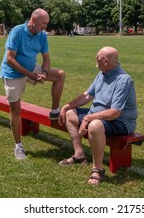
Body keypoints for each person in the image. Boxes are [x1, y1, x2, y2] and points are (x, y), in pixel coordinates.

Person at [58, 46, 137, 185]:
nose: (95, 60)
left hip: (121, 121)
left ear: (105, 61)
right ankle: (79, 155)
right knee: (70, 114)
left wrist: (88, 118)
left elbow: (114, 113)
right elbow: (88, 95)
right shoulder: (103, 73)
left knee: (94, 125)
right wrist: (67, 106)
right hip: (98, 115)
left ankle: (98, 170)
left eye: (97, 58)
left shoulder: (123, 80)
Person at [0, 8, 65, 160]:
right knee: (15, 109)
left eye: (47, 23)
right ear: (33, 20)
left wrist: (44, 73)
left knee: (60, 75)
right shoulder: (17, 31)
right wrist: (31, 75)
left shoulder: (42, 35)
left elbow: (46, 60)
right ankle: (18, 146)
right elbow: (10, 59)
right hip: (12, 73)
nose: (45, 27)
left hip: (31, 69)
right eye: (43, 23)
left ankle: (55, 111)